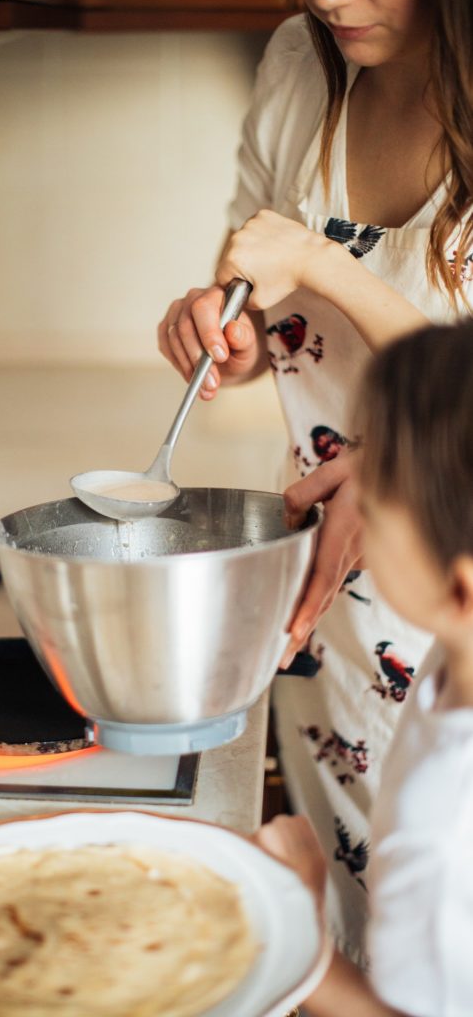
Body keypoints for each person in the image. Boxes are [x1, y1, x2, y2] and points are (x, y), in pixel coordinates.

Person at [157, 0, 473, 960]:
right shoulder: (303, 59)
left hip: (449, 590)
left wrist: (323, 264)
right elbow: (258, 257)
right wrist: (231, 327)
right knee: (342, 913)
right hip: (321, 588)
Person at [253, 321, 473, 1016]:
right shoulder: (458, 652)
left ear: (459, 589)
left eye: (371, 505)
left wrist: (296, 928)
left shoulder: (442, 827)